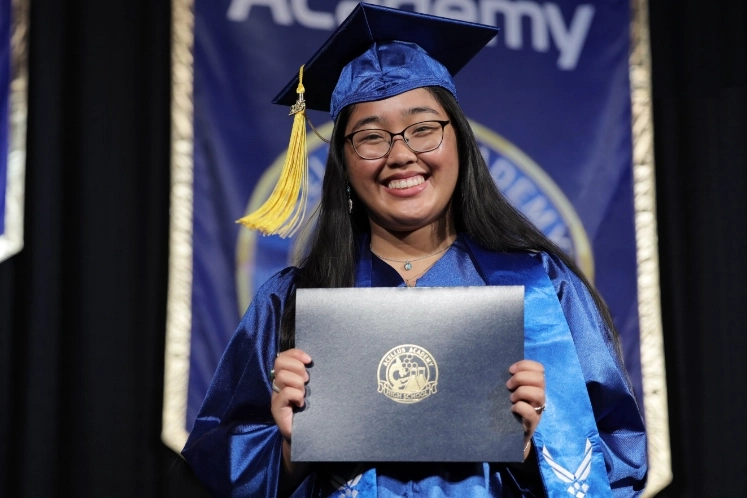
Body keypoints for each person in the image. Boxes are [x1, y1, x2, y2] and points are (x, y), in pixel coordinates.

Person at [182, 4, 647, 497]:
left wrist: (536, 448)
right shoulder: (290, 302)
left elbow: (621, 459)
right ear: (342, 162)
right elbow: (213, 464)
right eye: (370, 137)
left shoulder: (541, 287)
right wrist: (289, 453)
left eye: (423, 128)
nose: (401, 154)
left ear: (460, 141)